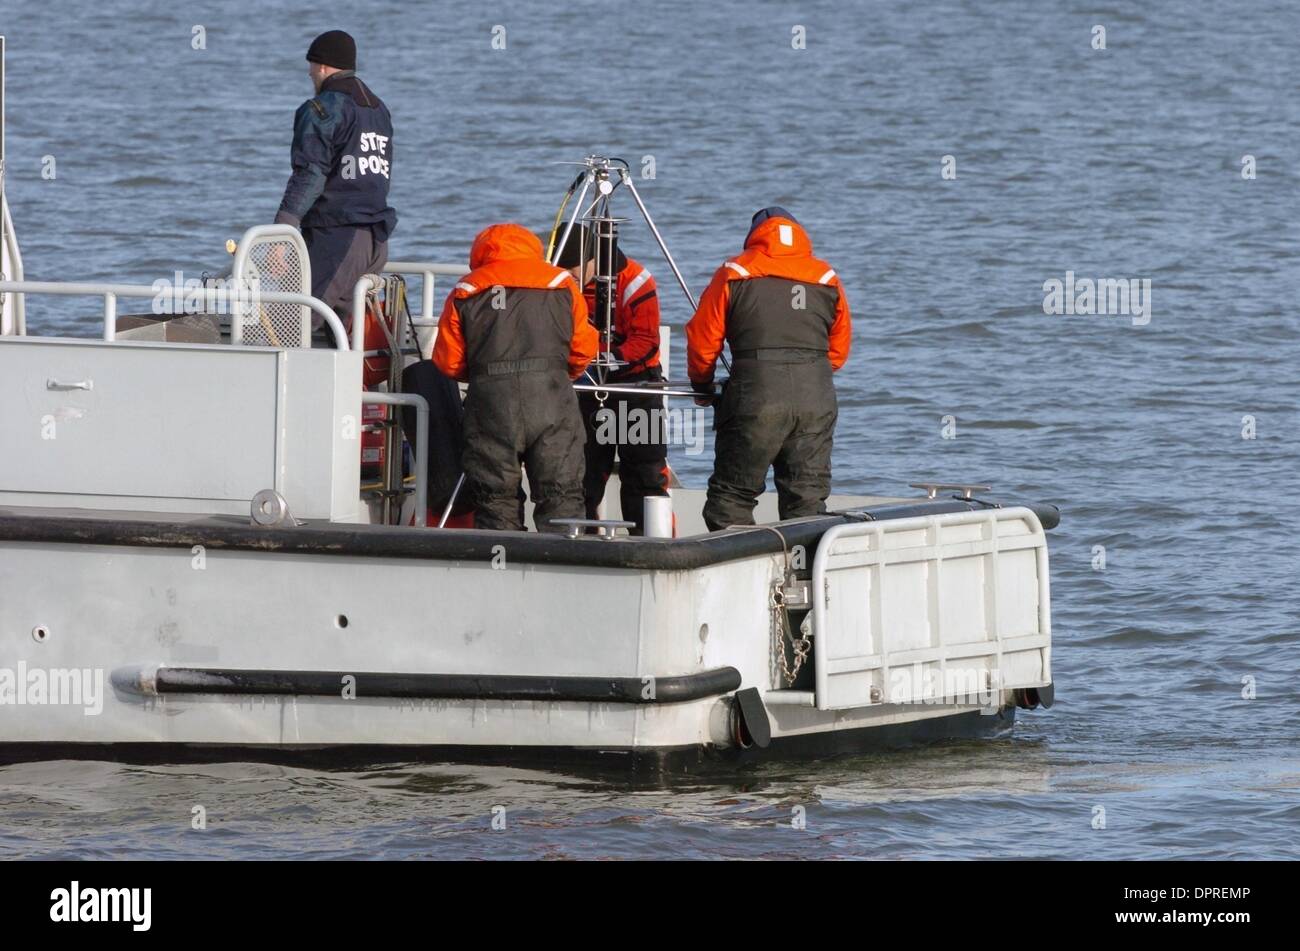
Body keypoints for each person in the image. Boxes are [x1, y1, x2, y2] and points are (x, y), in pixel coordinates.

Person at [685, 207, 851, 530]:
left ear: (754, 237)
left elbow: (703, 339)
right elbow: (839, 351)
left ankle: (738, 573)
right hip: (815, 395)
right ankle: (805, 576)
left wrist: (702, 385)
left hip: (756, 394)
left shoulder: (735, 271)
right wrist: (805, 370)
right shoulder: (826, 277)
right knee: (807, 504)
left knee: (731, 499)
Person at [431, 224, 597, 532]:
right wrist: (559, 374)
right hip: (552, 398)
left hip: (491, 405)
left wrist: (485, 376)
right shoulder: (561, 283)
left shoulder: (467, 289)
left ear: (481, 253)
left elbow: (447, 360)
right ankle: (563, 562)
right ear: (532, 248)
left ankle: (502, 565)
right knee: (561, 493)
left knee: (495, 497)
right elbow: (583, 347)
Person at [273, 30, 396, 330]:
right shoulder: (378, 110)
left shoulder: (322, 108)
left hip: (337, 235)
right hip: (376, 241)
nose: (310, 73)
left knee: (289, 322)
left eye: (311, 66)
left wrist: (281, 232)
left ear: (323, 66)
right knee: (338, 334)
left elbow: (310, 174)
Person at [554, 224, 670, 534]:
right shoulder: (563, 283)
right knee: (583, 474)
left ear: (592, 258)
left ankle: (651, 545)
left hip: (636, 387)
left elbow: (645, 341)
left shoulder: (636, 281)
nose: (570, 275)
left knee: (644, 475)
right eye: (563, 269)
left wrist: (601, 360)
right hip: (586, 389)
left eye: (574, 269)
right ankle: (582, 544)